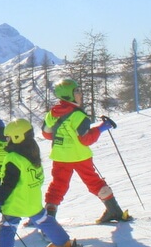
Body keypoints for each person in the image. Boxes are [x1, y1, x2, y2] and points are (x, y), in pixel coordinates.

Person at [0, 119, 77, 247]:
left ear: (16, 138)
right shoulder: (32, 151)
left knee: (7, 228)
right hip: (33, 199)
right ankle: (63, 243)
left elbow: (9, 184)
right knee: (43, 220)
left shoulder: (13, 158)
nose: (6, 140)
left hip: (17, 201)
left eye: (8, 138)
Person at [41, 79, 131, 225]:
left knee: (58, 185)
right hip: (80, 156)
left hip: (60, 156)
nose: (80, 94)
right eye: (77, 91)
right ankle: (114, 210)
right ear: (68, 95)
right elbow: (86, 139)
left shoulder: (52, 114)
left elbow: (46, 134)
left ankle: (49, 219)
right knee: (93, 181)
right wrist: (102, 128)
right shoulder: (79, 116)